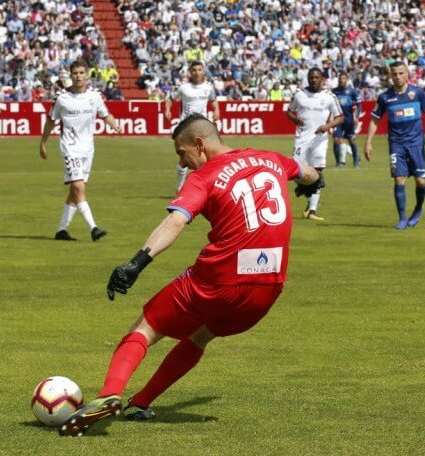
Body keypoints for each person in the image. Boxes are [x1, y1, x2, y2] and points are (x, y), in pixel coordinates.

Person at [58, 114, 324, 437]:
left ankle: (109, 393)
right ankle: (140, 403)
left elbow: (176, 222)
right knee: (201, 335)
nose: (183, 164)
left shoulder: (205, 176)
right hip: (268, 288)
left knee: (147, 327)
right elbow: (307, 172)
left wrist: (137, 263)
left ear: (199, 144)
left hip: (218, 281)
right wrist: (314, 183)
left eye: (182, 154)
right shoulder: (271, 158)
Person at [39, 60, 121, 242]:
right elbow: (51, 121)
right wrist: (43, 142)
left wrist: (115, 124)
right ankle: (93, 228)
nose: (78, 76)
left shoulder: (94, 96)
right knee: (78, 187)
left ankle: (61, 230)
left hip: (88, 149)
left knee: (74, 193)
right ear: (71, 75)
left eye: (81, 73)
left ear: (86, 75)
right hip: (70, 148)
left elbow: (105, 114)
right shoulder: (62, 98)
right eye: (75, 73)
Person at [364, 61, 425, 230]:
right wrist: (368, 142)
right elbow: (375, 120)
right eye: (394, 74)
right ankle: (402, 218)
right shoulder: (385, 97)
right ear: (391, 76)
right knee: (399, 178)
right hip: (396, 143)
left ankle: (418, 209)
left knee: (421, 182)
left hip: (416, 144)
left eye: (401, 73)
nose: (398, 77)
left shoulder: (418, 93)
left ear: (407, 74)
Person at [286, 67, 344, 221]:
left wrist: (327, 127)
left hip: (320, 139)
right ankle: (304, 188)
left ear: (322, 79)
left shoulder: (329, 97)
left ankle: (311, 210)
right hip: (302, 139)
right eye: (311, 77)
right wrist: (294, 119)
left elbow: (340, 117)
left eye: (316, 77)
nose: (313, 80)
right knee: (295, 171)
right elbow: (289, 111)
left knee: (317, 172)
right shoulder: (299, 94)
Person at [165, 61, 221, 192]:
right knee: (184, 158)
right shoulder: (183, 88)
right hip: (186, 127)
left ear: (203, 71)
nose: (197, 72)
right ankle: (180, 189)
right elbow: (170, 99)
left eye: (200, 70)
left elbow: (213, 101)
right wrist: (167, 109)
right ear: (190, 72)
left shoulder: (208, 88)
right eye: (194, 70)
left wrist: (217, 111)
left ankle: (206, 187)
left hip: (202, 126)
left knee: (207, 155)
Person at [332, 72, 363, 168]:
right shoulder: (334, 91)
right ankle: (338, 164)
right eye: (340, 78)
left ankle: (356, 161)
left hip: (349, 120)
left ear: (347, 79)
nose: (341, 80)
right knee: (336, 140)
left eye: (343, 78)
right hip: (338, 120)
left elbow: (358, 105)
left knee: (352, 141)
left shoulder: (352, 91)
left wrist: (357, 117)